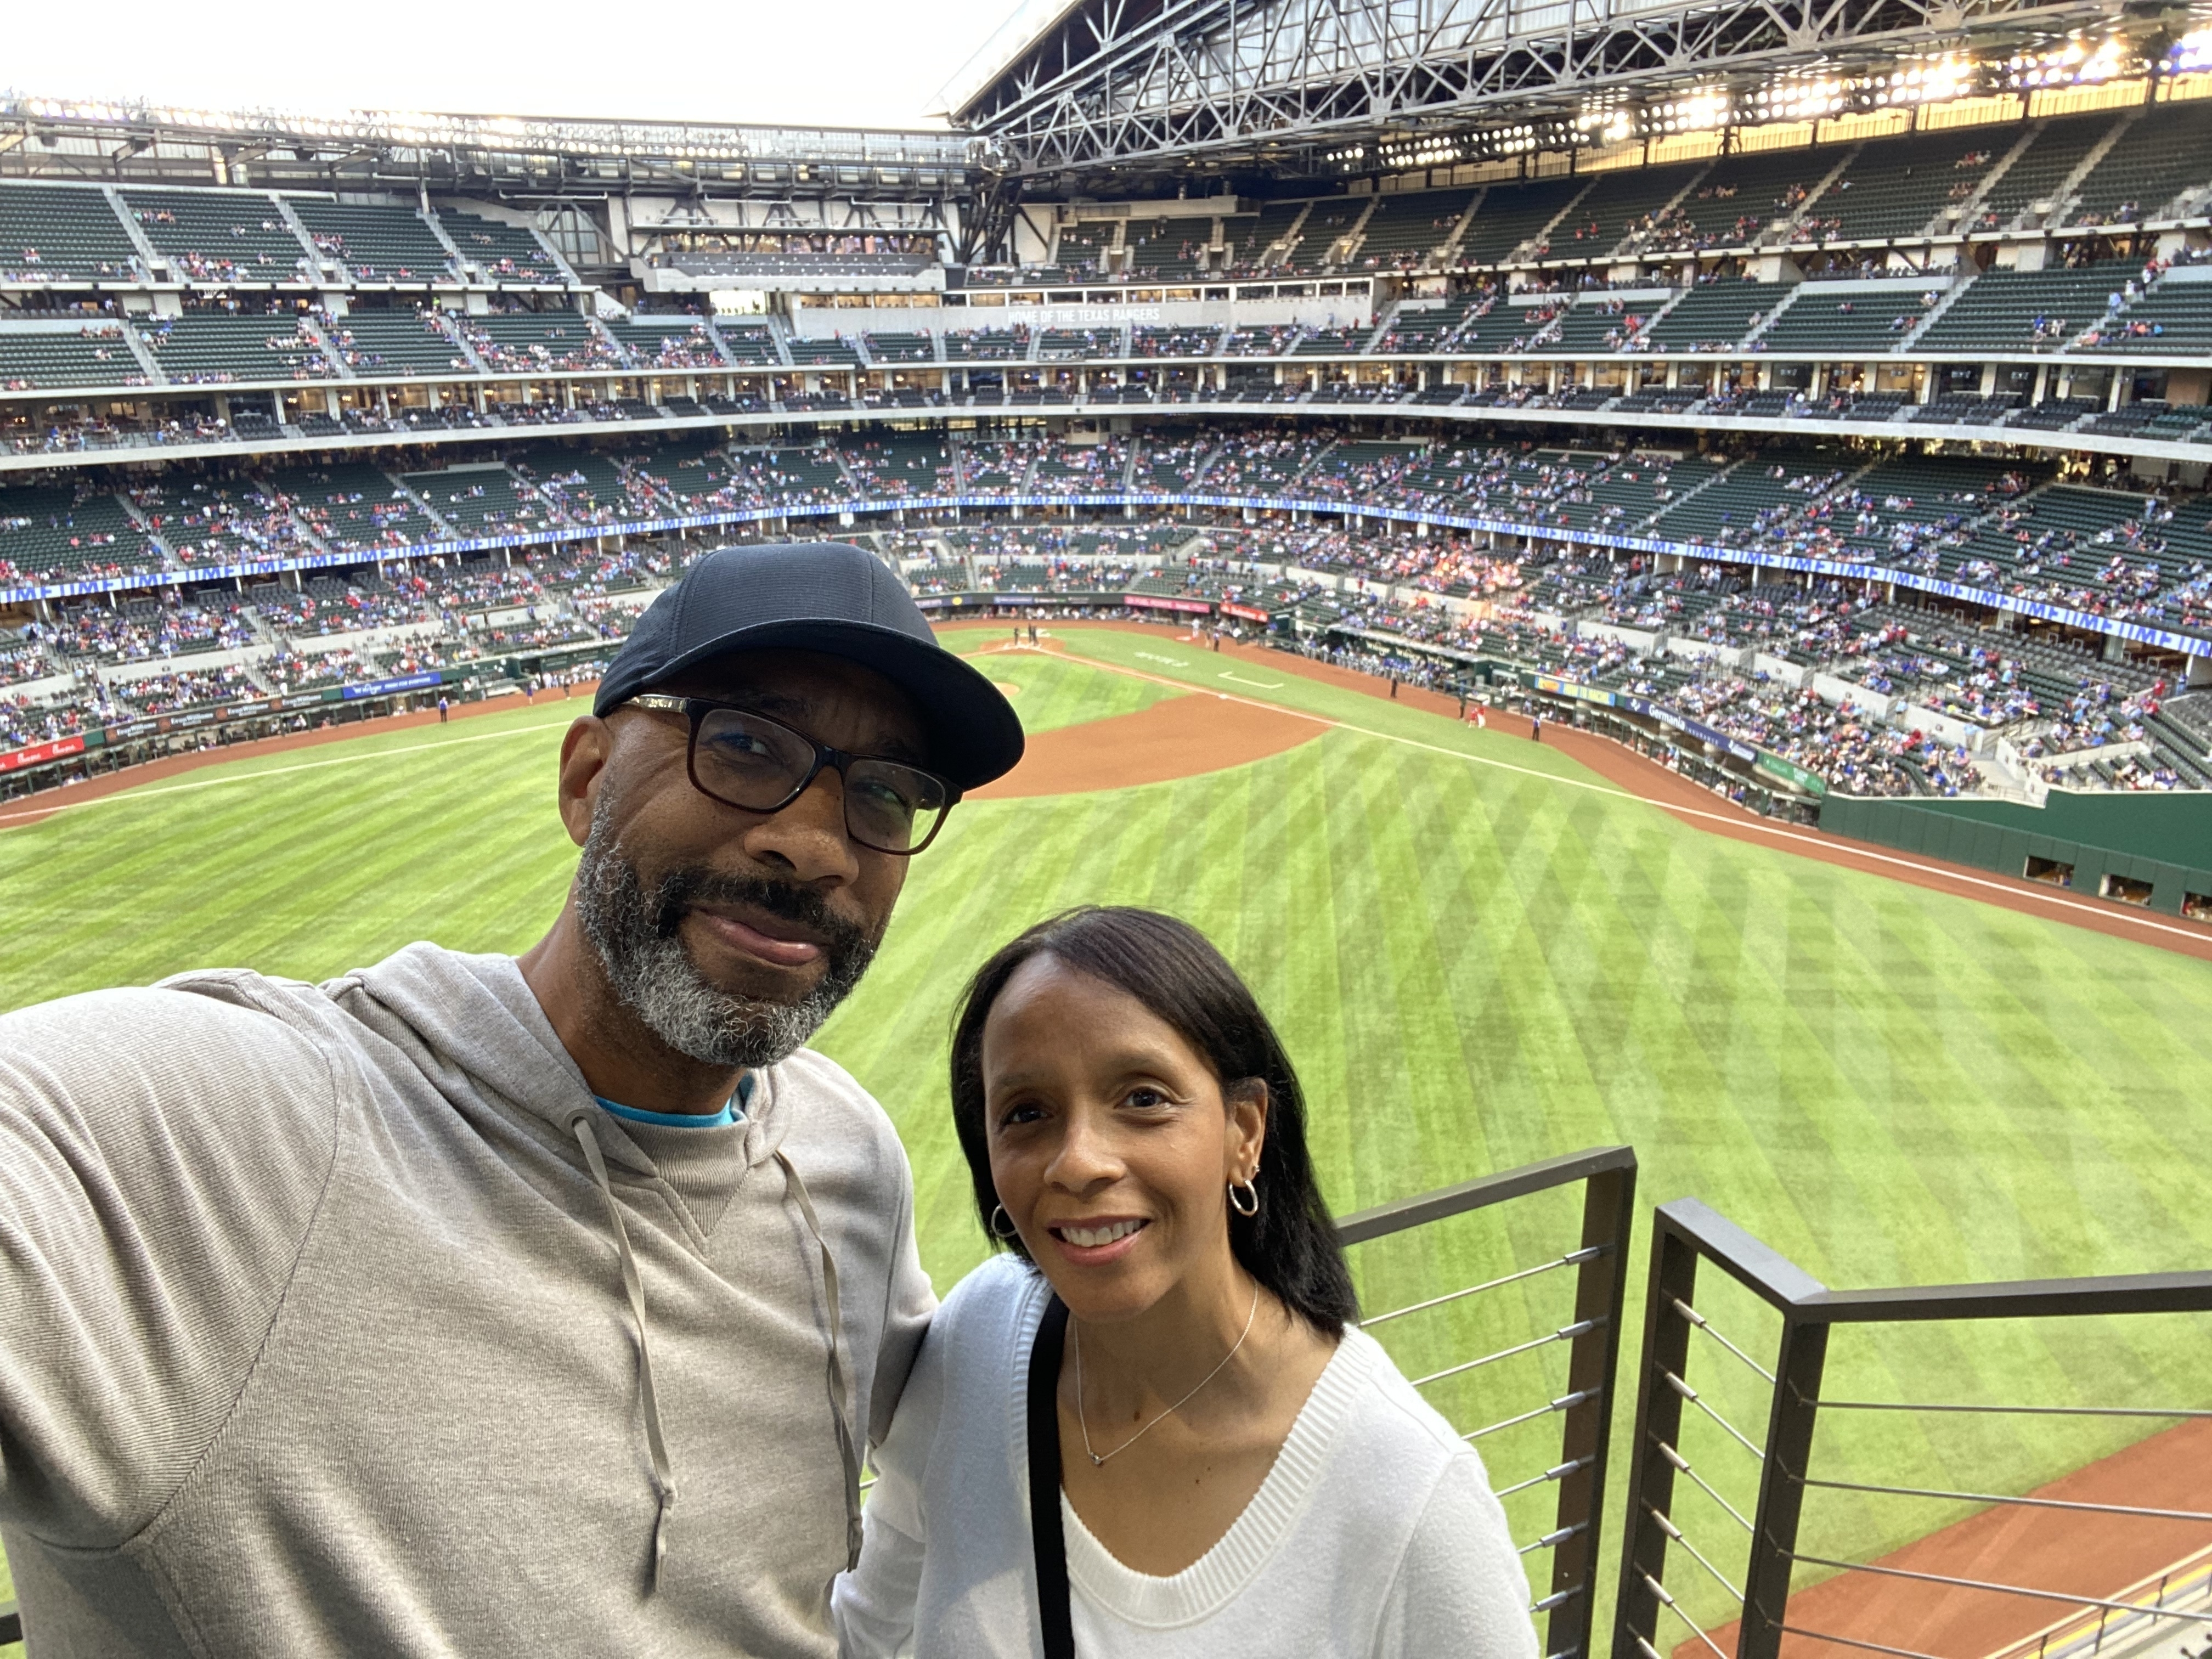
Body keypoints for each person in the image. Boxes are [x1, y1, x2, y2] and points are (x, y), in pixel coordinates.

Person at [0, 542, 1025, 1657]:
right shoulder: (230, 1131)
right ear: (589, 781)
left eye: (885, 791)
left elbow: (964, 1444)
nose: (816, 844)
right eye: (742, 742)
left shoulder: (845, 1157)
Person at [833, 907, 1537, 1657]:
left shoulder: (1414, 1503)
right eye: (1027, 1112)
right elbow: (871, 1632)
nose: (1078, 1162)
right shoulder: (978, 1336)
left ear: (1246, 1133)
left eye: (1143, 1098)